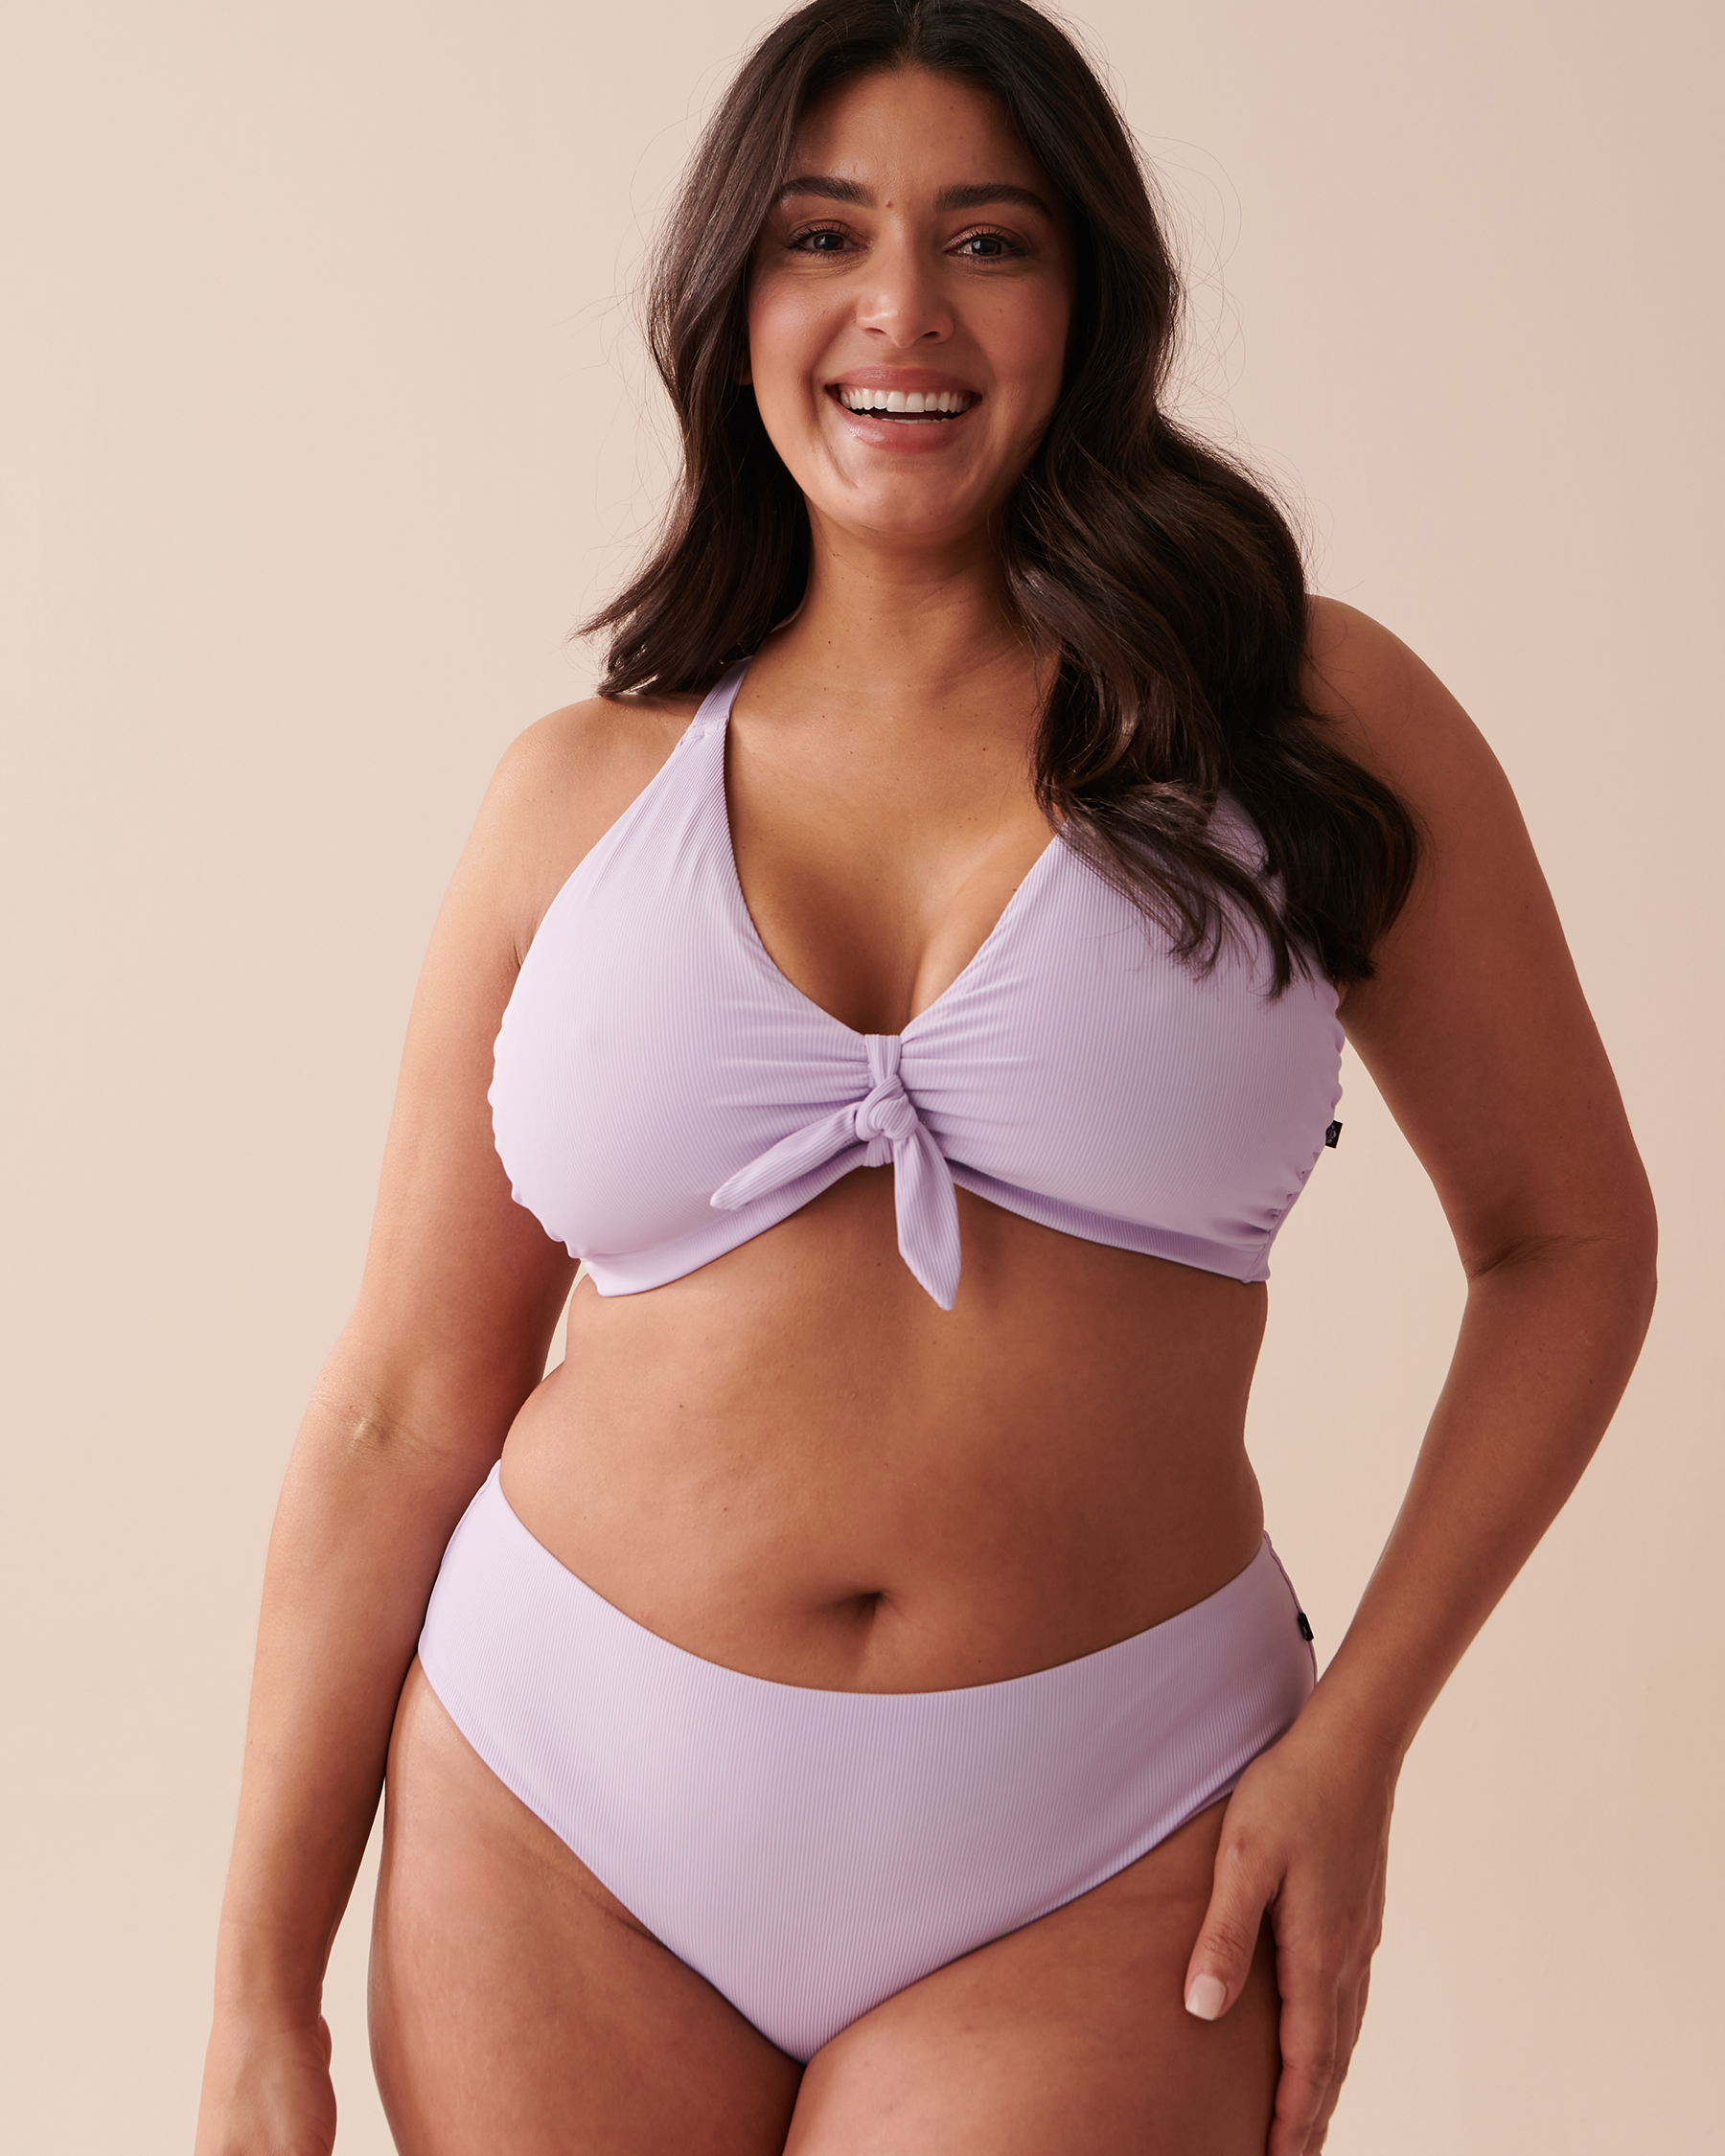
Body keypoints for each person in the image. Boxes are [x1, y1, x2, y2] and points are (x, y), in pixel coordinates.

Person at [193, 2, 1656, 2150]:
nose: (903, 311)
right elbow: (404, 1402)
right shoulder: (572, 794)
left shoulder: (1301, 716)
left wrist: (1359, 1737)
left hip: (1118, 1827)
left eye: (988, 239)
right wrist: (257, 1991)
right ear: (735, 300)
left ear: (1088, 298)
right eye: (823, 236)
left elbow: (1568, 1240)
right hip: (559, 1796)